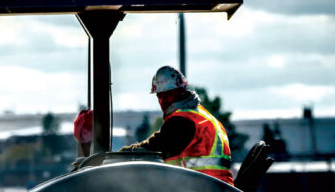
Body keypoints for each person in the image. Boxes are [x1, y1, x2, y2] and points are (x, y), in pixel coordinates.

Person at [73, 65, 234, 185]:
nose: (164, 101)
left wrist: (111, 159)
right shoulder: (200, 116)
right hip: (215, 189)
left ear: (182, 91)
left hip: (205, 191)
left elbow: (151, 149)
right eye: (160, 96)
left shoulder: (183, 121)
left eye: (169, 95)